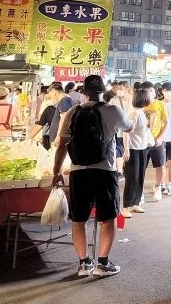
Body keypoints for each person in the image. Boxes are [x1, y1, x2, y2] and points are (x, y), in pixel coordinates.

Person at [52, 75, 132, 278]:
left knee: (79, 219)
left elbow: (62, 144)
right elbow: (129, 127)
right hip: (104, 170)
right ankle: (102, 263)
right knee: (108, 217)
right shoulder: (113, 110)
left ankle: (83, 264)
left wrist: (56, 172)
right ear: (104, 91)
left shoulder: (73, 112)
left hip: (78, 170)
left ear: (84, 91)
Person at [121, 87, 153, 217]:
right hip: (133, 149)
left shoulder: (141, 113)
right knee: (132, 177)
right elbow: (126, 131)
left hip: (142, 148)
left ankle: (135, 203)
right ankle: (125, 207)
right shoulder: (134, 113)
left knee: (140, 176)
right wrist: (126, 150)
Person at [139, 82, 169, 202]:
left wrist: (161, 137)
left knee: (160, 165)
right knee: (141, 167)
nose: (149, 93)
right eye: (146, 91)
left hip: (157, 141)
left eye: (151, 90)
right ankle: (139, 191)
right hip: (143, 142)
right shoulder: (140, 105)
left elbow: (167, 122)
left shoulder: (160, 104)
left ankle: (157, 186)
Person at [28, 83, 63, 149]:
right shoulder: (49, 109)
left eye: (50, 97)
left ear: (55, 94)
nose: (49, 99)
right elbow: (39, 125)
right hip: (52, 140)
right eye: (47, 99)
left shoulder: (67, 106)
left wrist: (59, 137)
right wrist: (28, 139)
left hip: (64, 141)